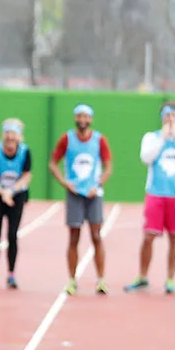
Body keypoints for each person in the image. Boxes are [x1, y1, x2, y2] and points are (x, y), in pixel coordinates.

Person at [124, 100, 175, 294]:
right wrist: (163, 138)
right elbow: (146, 158)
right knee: (148, 236)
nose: (170, 119)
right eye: (167, 115)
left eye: (174, 116)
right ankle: (142, 276)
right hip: (156, 193)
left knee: (174, 236)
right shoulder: (151, 137)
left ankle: (170, 279)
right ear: (162, 117)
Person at [48, 103, 113, 295]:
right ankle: (72, 280)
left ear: (91, 119)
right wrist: (64, 183)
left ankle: (101, 279)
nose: (82, 120)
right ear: (75, 118)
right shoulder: (66, 139)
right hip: (75, 193)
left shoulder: (99, 140)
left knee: (96, 236)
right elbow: (52, 163)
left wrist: (98, 184)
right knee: (74, 237)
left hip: (93, 194)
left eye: (86, 117)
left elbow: (108, 167)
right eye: (79, 116)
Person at [0, 118, 32, 289]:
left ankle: (11, 274)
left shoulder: (25, 152)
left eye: (14, 134)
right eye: (8, 134)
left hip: (16, 196)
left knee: (12, 235)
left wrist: (11, 191)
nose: (10, 138)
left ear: (19, 137)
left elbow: (27, 175)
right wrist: (2, 191)